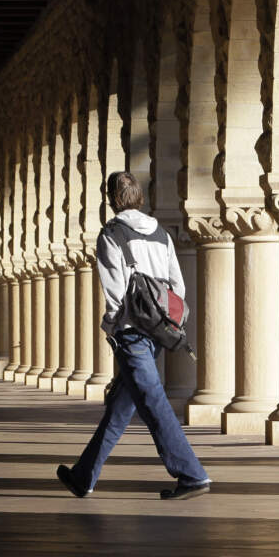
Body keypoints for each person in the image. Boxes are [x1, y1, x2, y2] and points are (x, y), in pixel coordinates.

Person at [57, 171, 211, 500]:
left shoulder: (111, 234)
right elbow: (178, 289)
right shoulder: (161, 233)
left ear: (112, 198)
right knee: (120, 406)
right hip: (155, 332)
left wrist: (114, 329)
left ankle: (192, 474)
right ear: (139, 195)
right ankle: (84, 476)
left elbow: (114, 294)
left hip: (130, 334)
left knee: (153, 402)